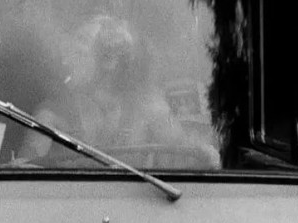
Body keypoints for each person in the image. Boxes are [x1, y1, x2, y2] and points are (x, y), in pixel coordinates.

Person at [17, 15, 192, 167]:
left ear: (110, 60)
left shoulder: (147, 110)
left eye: (82, 42)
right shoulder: (52, 115)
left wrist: (201, 150)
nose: (67, 59)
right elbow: (22, 176)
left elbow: (189, 159)